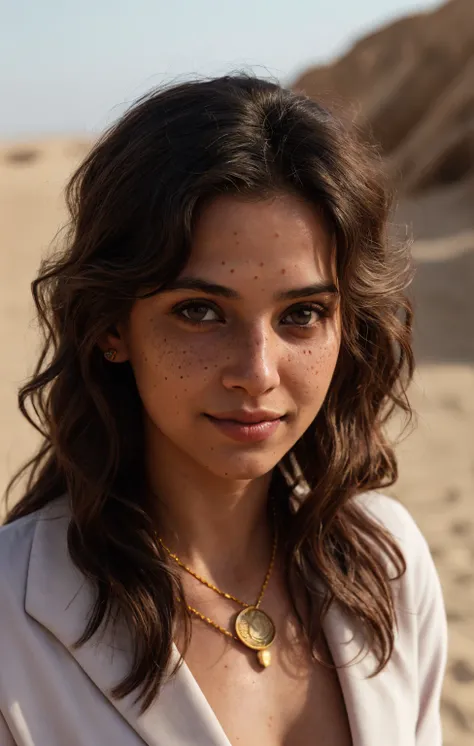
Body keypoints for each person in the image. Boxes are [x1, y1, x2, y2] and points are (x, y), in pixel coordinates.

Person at [0, 73, 447, 746]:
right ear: (112, 327)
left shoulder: (389, 564)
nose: (257, 373)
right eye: (200, 312)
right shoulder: (13, 620)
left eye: (301, 314)